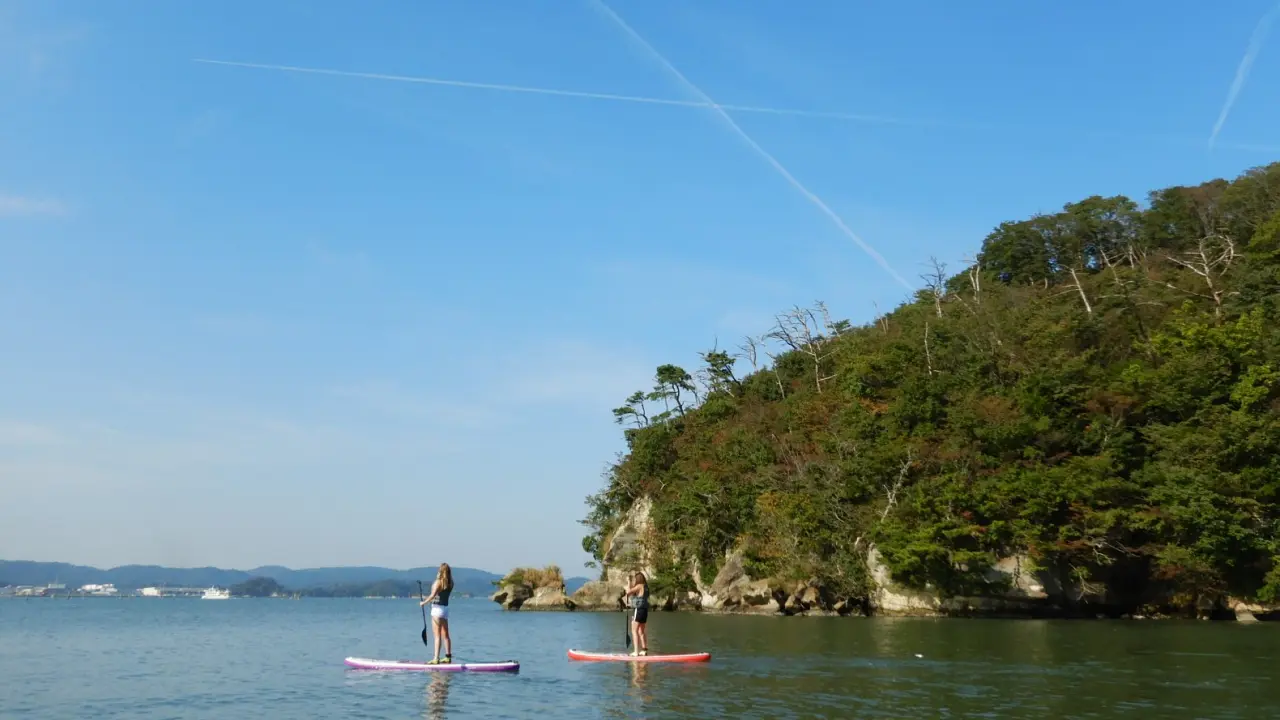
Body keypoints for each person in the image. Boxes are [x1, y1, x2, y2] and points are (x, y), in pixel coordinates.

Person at [419, 563, 454, 664]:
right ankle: (448, 657)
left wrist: (423, 603)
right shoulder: (450, 582)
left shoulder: (438, 582)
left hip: (437, 609)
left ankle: (436, 658)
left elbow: (432, 595)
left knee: (437, 635)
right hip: (445, 609)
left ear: (440, 571)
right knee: (446, 634)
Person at [624, 571, 649, 656]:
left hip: (638, 610)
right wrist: (630, 582)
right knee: (641, 631)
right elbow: (635, 593)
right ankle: (644, 650)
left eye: (635, 579)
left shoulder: (639, 586)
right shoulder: (646, 587)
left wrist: (627, 582)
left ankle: (636, 652)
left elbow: (628, 593)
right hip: (645, 611)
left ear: (638, 579)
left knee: (634, 631)